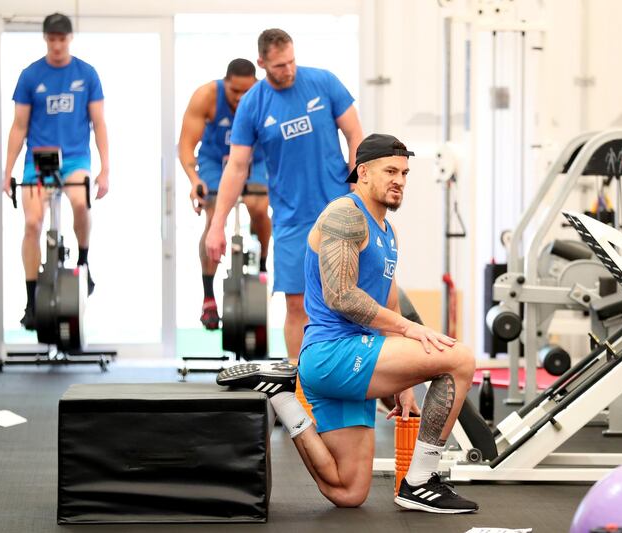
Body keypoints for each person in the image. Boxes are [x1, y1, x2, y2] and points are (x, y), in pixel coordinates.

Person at [217, 134, 479, 514]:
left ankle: (283, 397)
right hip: (334, 354)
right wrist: (411, 332)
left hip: (355, 359)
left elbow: (390, 305)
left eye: (405, 173)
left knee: (347, 491)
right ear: (363, 171)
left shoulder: (388, 233)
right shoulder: (345, 215)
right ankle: (420, 482)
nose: (400, 180)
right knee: (460, 359)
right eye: (391, 171)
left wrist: (406, 383)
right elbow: (340, 295)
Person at [205, 28, 363, 362]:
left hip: (339, 208)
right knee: (296, 304)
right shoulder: (252, 104)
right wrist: (217, 224)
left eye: (291, 61)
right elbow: (236, 167)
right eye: (279, 66)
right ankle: (301, 390)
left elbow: (355, 134)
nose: (288, 70)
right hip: (292, 219)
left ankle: (355, 377)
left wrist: (357, 189)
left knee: (351, 300)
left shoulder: (324, 82)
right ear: (262, 63)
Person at [3, 12, 109, 330]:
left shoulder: (86, 74)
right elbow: (19, 126)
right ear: (46, 39)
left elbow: (99, 123)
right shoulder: (30, 75)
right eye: (52, 39)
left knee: (80, 201)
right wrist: (7, 171)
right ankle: (32, 299)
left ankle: (83, 262)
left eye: (62, 39)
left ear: (70, 39)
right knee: (33, 224)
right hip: (40, 158)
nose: (58, 45)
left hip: (75, 157)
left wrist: (105, 170)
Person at [179, 58, 270, 330]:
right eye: (234, 92)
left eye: (247, 91)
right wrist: (194, 180)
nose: (241, 98)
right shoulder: (206, 96)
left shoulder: (266, 97)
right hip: (214, 161)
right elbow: (185, 145)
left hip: (255, 160)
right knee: (214, 215)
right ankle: (208, 295)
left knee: (257, 206)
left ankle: (263, 265)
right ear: (225, 83)